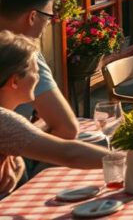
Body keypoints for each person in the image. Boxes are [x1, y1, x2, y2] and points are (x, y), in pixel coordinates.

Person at [0, 32, 107, 198]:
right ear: (14, 81)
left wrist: (15, 152)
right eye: (35, 73)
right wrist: (125, 160)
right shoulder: (5, 121)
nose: (38, 79)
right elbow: (69, 153)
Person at [0, 0, 78, 139]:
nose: (49, 24)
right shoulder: (24, 55)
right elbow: (67, 128)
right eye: (49, 18)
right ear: (33, 17)